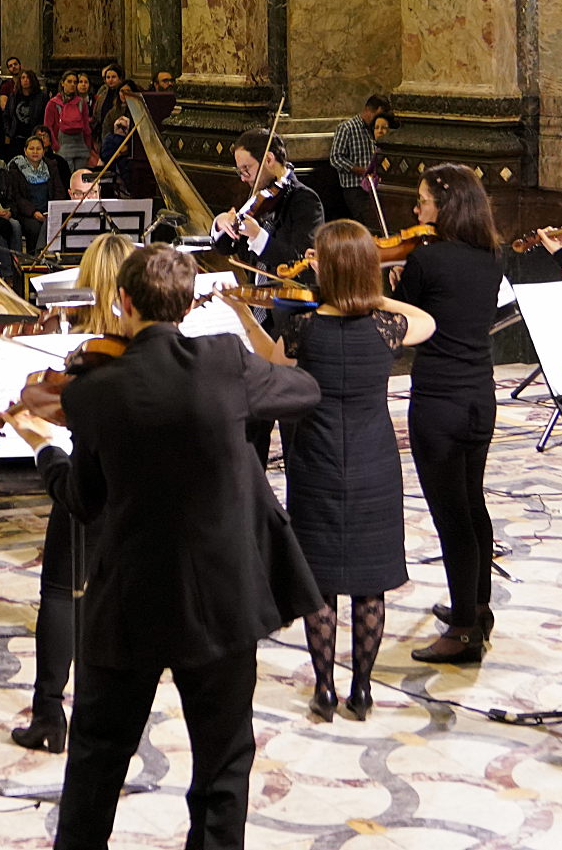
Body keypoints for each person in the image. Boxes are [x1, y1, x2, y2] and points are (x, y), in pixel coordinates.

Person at [6, 244, 320, 850]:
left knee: (97, 763)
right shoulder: (225, 361)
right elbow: (303, 391)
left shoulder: (95, 391)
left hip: (130, 602)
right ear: (186, 303)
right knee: (224, 765)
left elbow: (83, 499)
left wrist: (44, 445)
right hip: (222, 597)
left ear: (122, 301)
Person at [276, 221, 437, 719]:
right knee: (369, 584)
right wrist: (375, 296)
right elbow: (426, 321)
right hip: (373, 463)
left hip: (315, 461)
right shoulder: (385, 328)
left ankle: (324, 688)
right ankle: (361, 689)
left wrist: (244, 311)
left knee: (319, 584)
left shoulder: (301, 328)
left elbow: (271, 363)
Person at [12, 230, 134, 753]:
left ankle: (48, 713)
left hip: (85, 483)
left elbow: (52, 409)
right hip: (138, 493)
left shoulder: (80, 352)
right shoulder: (148, 346)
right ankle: (108, 711)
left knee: (61, 592)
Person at [396, 164, 503, 663]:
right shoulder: (489, 257)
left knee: (452, 518)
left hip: (438, 402)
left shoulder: (427, 260)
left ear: (447, 205)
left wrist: (398, 284)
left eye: (423, 202)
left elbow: (402, 327)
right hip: (481, 397)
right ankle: (477, 607)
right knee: (472, 505)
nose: (417, 211)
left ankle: (463, 632)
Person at [212, 128, 322, 274]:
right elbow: (226, 247)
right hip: (255, 291)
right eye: (240, 171)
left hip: (285, 292)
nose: (243, 178)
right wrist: (221, 223)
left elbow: (303, 260)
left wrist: (258, 236)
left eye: (247, 168)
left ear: (269, 159)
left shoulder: (304, 200)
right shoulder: (261, 196)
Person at [326, 95, 388, 218]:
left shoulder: (376, 129)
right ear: (368, 110)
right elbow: (335, 158)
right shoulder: (347, 128)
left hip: (375, 186)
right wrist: (359, 170)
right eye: (377, 115)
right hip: (355, 187)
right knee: (364, 219)